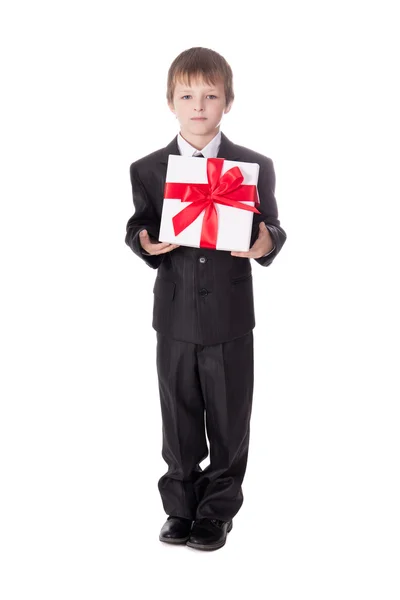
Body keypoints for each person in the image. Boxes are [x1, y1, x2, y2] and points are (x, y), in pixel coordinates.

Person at [125, 46, 287, 551]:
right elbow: (139, 225)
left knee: (229, 415)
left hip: (231, 316)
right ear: (171, 102)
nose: (199, 106)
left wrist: (267, 243)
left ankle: (217, 510)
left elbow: (272, 227)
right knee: (177, 415)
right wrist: (145, 243)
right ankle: (180, 505)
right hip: (173, 315)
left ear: (228, 102)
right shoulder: (148, 168)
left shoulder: (253, 165)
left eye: (211, 95)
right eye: (187, 95)